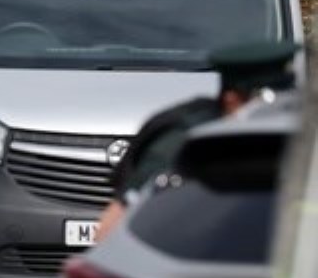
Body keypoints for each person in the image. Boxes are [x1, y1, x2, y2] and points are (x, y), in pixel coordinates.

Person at [96, 39, 301, 239]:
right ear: (233, 101)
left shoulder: (293, 134)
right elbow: (112, 225)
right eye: (266, 104)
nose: (278, 113)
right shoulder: (186, 140)